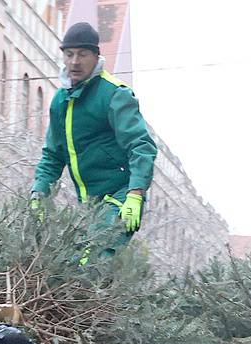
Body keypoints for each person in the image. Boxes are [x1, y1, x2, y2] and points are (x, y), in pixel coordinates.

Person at [31, 22, 158, 248]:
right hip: (89, 203)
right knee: (68, 265)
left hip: (121, 195)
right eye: (69, 54)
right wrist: (38, 195)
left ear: (96, 56)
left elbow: (142, 145)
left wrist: (136, 193)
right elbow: (52, 156)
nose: (75, 61)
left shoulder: (114, 94)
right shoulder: (61, 101)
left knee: (90, 259)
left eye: (83, 54)